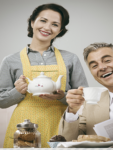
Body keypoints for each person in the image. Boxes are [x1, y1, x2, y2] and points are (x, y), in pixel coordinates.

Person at [0, 3, 88, 148]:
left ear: (60, 30)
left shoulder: (70, 58)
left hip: (61, 125)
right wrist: (17, 92)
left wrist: (61, 96)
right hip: (24, 128)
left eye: (55, 24)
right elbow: (1, 101)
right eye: (43, 21)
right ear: (32, 22)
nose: (47, 28)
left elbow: (83, 98)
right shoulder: (10, 60)